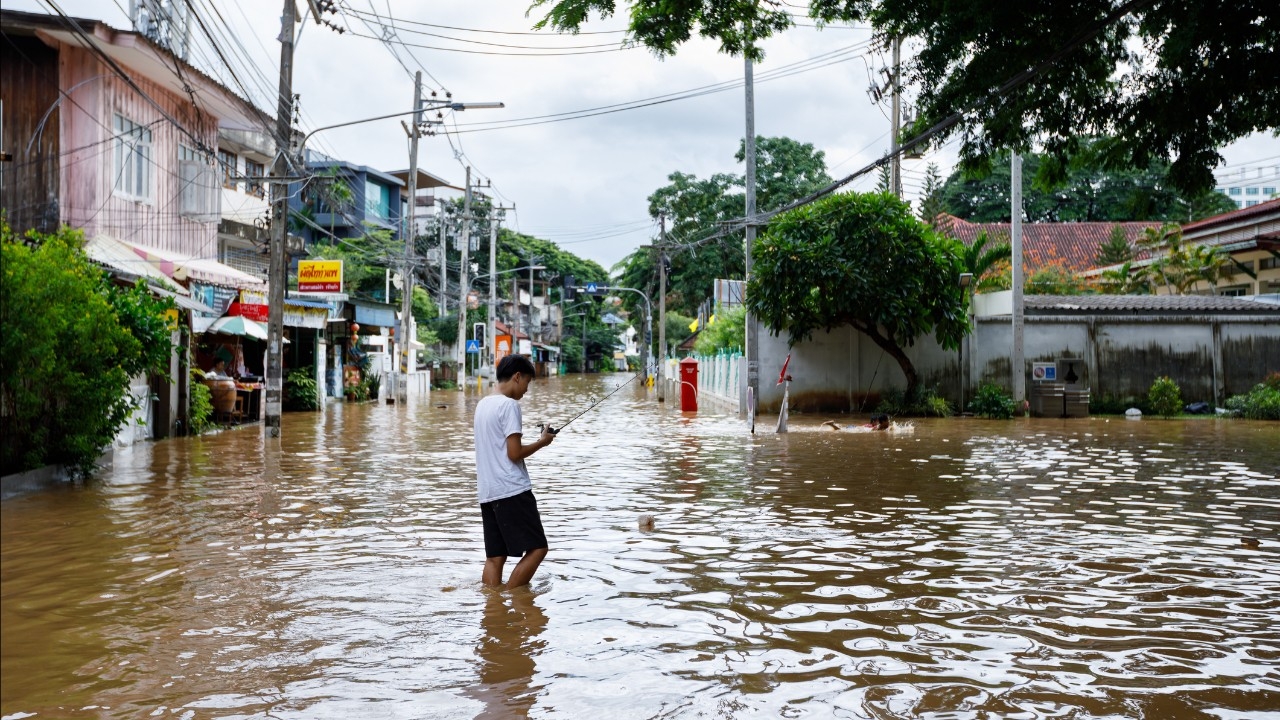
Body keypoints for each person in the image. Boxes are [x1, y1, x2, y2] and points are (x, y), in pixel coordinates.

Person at [474, 354, 556, 589]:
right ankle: (512, 596)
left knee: (495, 557)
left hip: (488, 492)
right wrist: (542, 442)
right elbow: (514, 453)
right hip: (511, 490)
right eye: (527, 383)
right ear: (517, 377)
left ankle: (494, 607)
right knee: (538, 548)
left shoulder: (483, 404)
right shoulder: (510, 405)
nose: (526, 391)